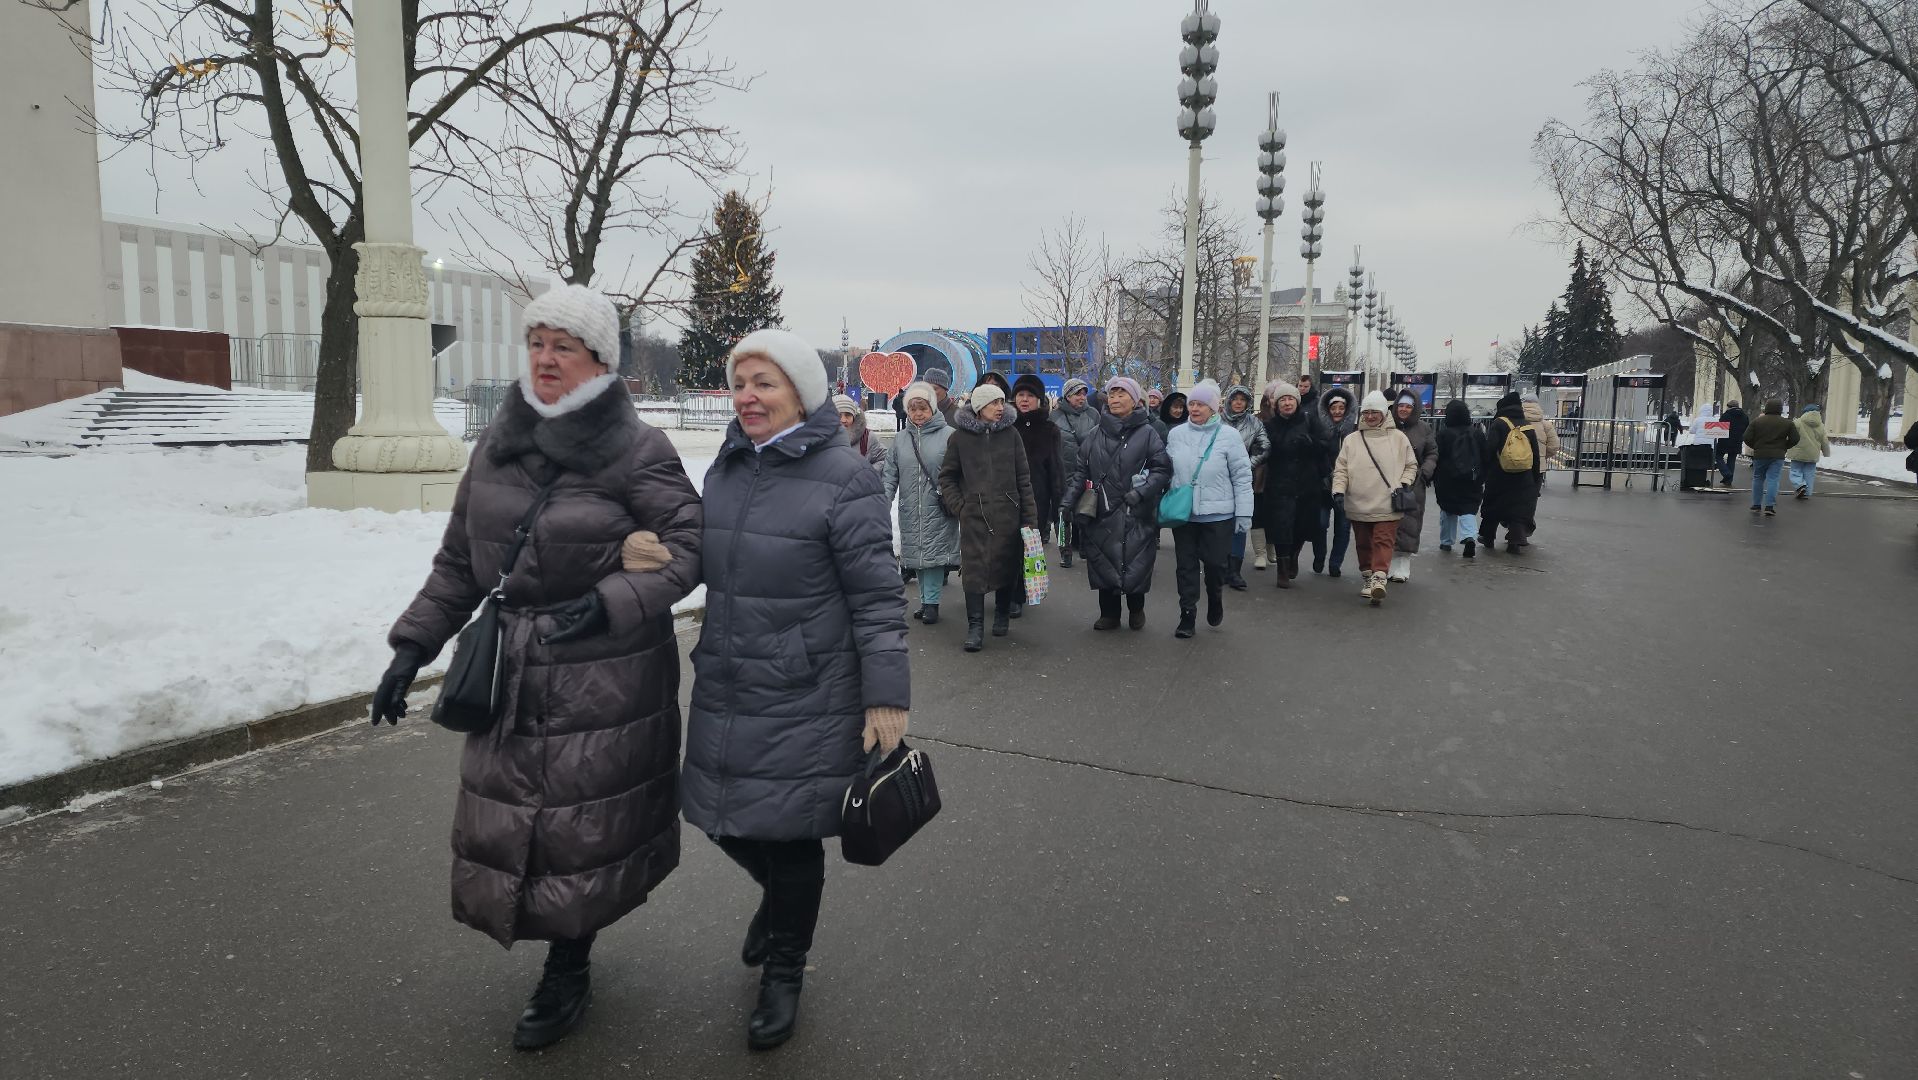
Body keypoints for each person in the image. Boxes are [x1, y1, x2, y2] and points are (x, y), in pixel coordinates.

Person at [371, 283, 703, 1051]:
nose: (547, 359)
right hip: (512, 667)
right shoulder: (497, 441)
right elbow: (461, 560)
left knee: (579, 829)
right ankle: (557, 946)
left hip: (605, 672)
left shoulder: (639, 448)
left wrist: (618, 597)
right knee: (520, 815)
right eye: (537, 343)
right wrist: (412, 646)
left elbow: (691, 547)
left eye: (565, 346)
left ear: (602, 362)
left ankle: (569, 963)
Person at [685, 327, 910, 1052]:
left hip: (806, 686)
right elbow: (705, 552)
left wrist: (887, 696)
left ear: (802, 394)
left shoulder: (845, 477)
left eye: (765, 384)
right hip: (727, 673)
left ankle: (785, 970)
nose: (747, 397)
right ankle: (779, 908)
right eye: (740, 382)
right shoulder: (724, 467)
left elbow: (877, 599)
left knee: (787, 834)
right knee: (720, 817)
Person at [1062, 377, 1173, 631]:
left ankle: (1136, 609)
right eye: (1112, 394)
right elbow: (1081, 472)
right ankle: (1109, 613)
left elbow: (1162, 468)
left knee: (1135, 562)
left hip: (1136, 511)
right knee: (1104, 560)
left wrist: (1143, 492)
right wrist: (1067, 503)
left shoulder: (1148, 434)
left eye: (1121, 394)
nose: (1115, 399)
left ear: (1135, 400)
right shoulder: (1094, 434)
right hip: (1102, 509)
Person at [939, 382, 1038, 652]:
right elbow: (947, 476)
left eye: (1002, 402)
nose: (1000, 407)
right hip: (974, 516)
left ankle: (1003, 613)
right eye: (995, 402)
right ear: (981, 406)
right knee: (973, 570)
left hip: (1009, 512)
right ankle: (975, 627)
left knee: (1007, 563)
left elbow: (1024, 479)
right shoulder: (959, 438)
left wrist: (1029, 518)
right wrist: (961, 506)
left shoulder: (1011, 435)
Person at [1164, 380, 1253, 637]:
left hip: (1219, 515)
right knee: (1185, 567)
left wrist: (1244, 513)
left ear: (1213, 408)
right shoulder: (1176, 435)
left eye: (1200, 404)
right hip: (1184, 514)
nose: (1194, 408)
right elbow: (1166, 469)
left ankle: (1215, 596)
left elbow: (1241, 476)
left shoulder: (1229, 436)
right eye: (1191, 403)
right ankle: (1187, 615)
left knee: (1215, 566)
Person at [1331, 390, 1418, 604]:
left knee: (1383, 540)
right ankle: (1368, 578)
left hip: (1388, 501)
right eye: (1366, 412)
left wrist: (1404, 483)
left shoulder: (1398, 438)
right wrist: (1338, 490)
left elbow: (1410, 464)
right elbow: (1341, 469)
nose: (1370, 416)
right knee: (1363, 543)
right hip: (1358, 502)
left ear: (1383, 413)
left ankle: (1379, 578)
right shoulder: (1352, 440)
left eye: (1375, 412)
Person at [884, 381, 960, 625]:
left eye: (923, 408)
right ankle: (926, 600)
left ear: (933, 408)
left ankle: (932, 604)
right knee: (918, 556)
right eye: (913, 408)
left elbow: (959, 472)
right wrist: (883, 503)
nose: (918, 413)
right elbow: (889, 475)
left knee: (934, 558)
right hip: (910, 507)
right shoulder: (899, 440)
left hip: (937, 508)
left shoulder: (949, 436)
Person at [1260, 379, 1331, 589]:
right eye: (1283, 400)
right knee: (1281, 527)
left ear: (1297, 402)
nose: (1287, 403)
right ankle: (1282, 569)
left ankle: (1293, 555)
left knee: (1301, 527)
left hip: (1306, 485)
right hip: (1280, 485)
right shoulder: (1270, 426)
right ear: (1276, 405)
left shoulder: (1310, 421)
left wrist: (1311, 444)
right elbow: (1265, 451)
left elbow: (1327, 444)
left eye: (1291, 399)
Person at [1012, 374, 1068, 569]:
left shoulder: (1049, 429)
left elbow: (1056, 471)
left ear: (1039, 400)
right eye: (1020, 394)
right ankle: (1008, 593)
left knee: (1029, 549)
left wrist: (1059, 507)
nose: (1024, 399)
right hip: (1007, 499)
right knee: (1007, 550)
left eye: (1030, 395)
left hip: (1037, 500)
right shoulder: (1006, 427)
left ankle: (1021, 592)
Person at [1478, 391, 1542, 552]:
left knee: (1493, 505)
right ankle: (1516, 539)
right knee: (1519, 508)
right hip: (1524, 476)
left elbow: (1489, 450)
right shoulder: (1528, 425)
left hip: (1499, 474)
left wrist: (1483, 472)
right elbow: (1535, 455)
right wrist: (1535, 479)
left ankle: (1487, 536)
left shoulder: (1499, 423)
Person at [1220, 385, 1270, 585]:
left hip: (1243, 478)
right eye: (1235, 399)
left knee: (1239, 522)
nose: (1239, 403)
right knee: (1220, 522)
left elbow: (1264, 447)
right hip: (1219, 478)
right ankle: (1220, 564)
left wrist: (1246, 464)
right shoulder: (1217, 421)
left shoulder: (1255, 423)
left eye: (1243, 399)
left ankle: (1234, 570)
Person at [1389, 389, 1439, 583]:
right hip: (1390, 480)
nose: (1403, 409)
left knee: (1409, 523)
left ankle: (1402, 565)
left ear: (1414, 408)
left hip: (1414, 483)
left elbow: (1432, 452)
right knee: (1389, 522)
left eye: (1408, 406)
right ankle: (1387, 563)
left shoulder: (1424, 429)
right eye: (1401, 405)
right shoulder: (1388, 426)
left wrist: (1425, 472)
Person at [1050, 377, 1100, 568]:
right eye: (1077, 393)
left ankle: (1087, 547)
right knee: (1063, 514)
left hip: (1087, 472)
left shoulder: (1094, 414)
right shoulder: (1054, 417)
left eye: (1083, 393)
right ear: (1067, 396)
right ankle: (1065, 551)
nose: (1081, 397)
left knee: (1086, 510)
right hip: (1062, 472)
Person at [1313, 385, 1358, 577]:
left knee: (1343, 527)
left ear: (1347, 409)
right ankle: (1319, 555)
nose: (1337, 411)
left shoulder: (1354, 432)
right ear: (1328, 409)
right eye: (1333, 408)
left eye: (1341, 408)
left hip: (1347, 487)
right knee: (1320, 524)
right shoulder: (1319, 428)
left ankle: (1335, 563)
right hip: (1323, 485)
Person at [1433, 399, 1487, 558]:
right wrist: (1482, 476)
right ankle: (1469, 536)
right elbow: (1485, 456)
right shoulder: (1477, 433)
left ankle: (1446, 541)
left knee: (1448, 510)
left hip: (1447, 480)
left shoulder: (1444, 434)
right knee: (1468, 509)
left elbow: (1437, 456)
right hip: (1472, 478)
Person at [1742, 398, 1799, 515]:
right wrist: (1784, 447)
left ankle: (1756, 505)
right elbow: (1795, 438)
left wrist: (1756, 446)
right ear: (1780, 409)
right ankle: (1769, 506)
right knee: (1773, 479)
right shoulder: (1787, 423)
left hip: (1760, 454)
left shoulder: (1757, 422)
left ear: (1766, 408)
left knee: (1758, 478)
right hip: (1778, 455)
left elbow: (1746, 437)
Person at [1785, 401, 1831, 499]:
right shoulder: (1821, 426)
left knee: (1795, 471)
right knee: (1809, 474)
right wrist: (1826, 453)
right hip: (1812, 454)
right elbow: (1824, 441)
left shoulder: (1797, 422)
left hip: (1798, 453)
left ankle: (1800, 485)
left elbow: (1790, 435)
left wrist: (1785, 445)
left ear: (1805, 412)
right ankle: (1807, 492)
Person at [833, 394, 888, 470]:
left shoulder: (867, 438)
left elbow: (885, 459)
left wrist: (868, 473)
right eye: (838, 415)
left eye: (848, 415)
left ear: (854, 417)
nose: (843, 420)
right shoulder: (822, 439)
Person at [1520, 393, 1562, 490]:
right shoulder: (1546, 425)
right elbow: (1554, 446)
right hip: (1538, 466)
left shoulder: (1514, 423)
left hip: (1517, 465)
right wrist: (1542, 456)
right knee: (1533, 495)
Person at [1716, 401, 1750, 487]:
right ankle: (1728, 481)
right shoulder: (1744, 416)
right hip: (1737, 440)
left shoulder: (1726, 415)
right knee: (1732, 459)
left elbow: (1720, 427)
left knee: (1718, 456)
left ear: (1729, 406)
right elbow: (1747, 427)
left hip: (1725, 440)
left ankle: (1726, 473)